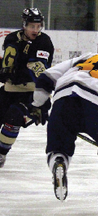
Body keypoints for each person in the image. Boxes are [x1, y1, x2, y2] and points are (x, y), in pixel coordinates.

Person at [30, 34, 98, 215]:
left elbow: (45, 78)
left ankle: (59, 163)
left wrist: (38, 104)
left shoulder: (84, 58)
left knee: (58, 149)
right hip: (94, 103)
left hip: (62, 100)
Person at [0, 8, 54, 167]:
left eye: (38, 26)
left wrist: (42, 102)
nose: (36, 30)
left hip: (32, 93)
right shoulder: (11, 39)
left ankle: (1, 153)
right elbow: (7, 67)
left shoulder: (44, 42)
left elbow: (38, 69)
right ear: (24, 25)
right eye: (32, 26)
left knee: (14, 116)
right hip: (10, 90)